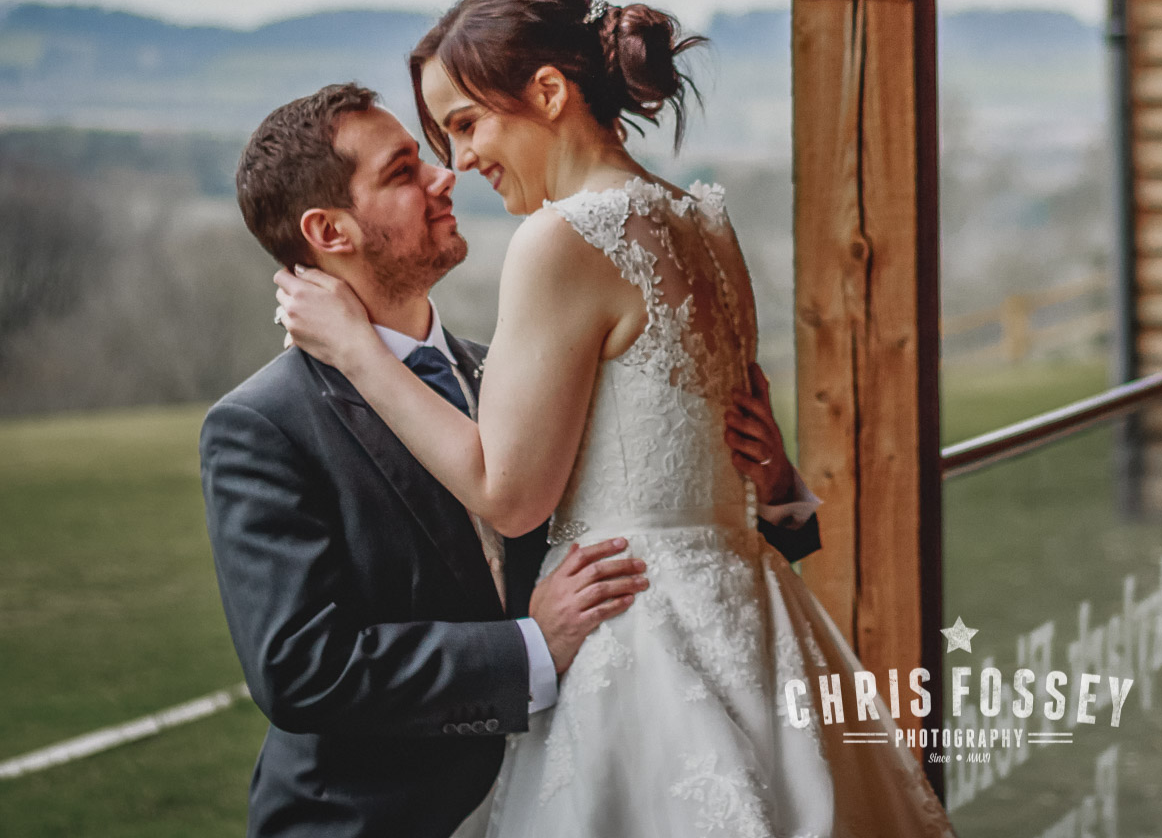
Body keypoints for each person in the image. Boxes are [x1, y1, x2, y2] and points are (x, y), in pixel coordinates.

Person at [274, 0, 954, 837]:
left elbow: (511, 493)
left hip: (641, 638)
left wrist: (358, 352)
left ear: (549, 93)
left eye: (465, 124)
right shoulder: (701, 219)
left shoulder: (560, 238)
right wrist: (776, 477)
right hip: (751, 614)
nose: (461, 162)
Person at [203, 80, 823, 838]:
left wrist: (775, 487)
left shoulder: (514, 374)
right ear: (331, 232)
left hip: (588, 789)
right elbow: (303, 669)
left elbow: (684, 539)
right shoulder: (264, 426)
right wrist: (530, 649)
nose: (446, 175)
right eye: (403, 172)